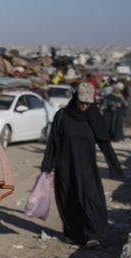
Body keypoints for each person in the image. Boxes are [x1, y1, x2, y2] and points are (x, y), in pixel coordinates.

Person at [41, 82, 123, 249]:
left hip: (87, 168)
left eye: (88, 103)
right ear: (75, 99)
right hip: (65, 167)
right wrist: (47, 167)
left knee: (91, 200)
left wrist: (114, 166)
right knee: (69, 200)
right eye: (81, 102)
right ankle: (72, 235)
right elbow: (53, 143)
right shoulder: (62, 116)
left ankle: (92, 235)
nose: (84, 106)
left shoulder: (93, 116)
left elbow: (104, 143)